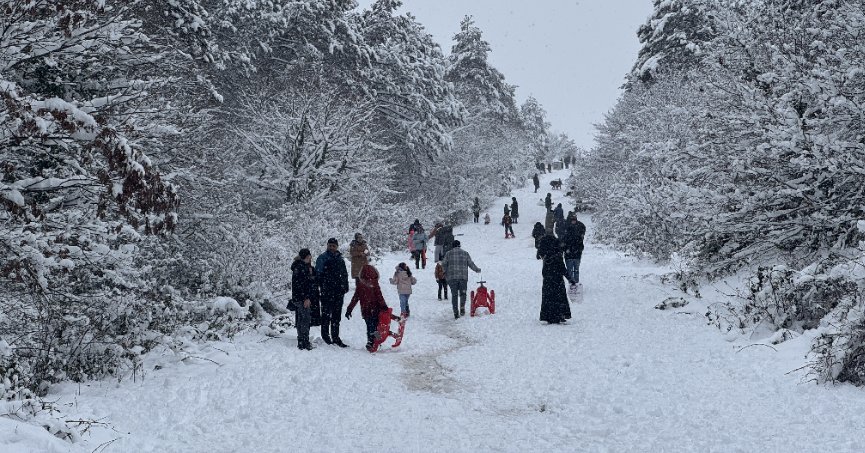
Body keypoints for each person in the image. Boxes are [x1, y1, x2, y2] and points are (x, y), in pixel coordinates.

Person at [346, 263, 389, 352]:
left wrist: (349, 309)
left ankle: (371, 341)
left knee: (370, 326)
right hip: (376, 309)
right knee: (375, 326)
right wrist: (384, 306)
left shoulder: (360, 285)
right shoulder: (375, 284)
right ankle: (376, 340)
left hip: (366, 310)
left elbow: (355, 298)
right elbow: (379, 296)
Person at [316, 238, 350, 347]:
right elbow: (318, 274)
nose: (331, 247)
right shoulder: (322, 258)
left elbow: (344, 274)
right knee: (326, 315)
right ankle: (325, 336)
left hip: (338, 291)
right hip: (327, 291)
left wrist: (345, 286)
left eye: (333, 246)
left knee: (336, 316)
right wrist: (322, 286)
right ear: (327, 245)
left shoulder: (340, 259)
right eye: (330, 245)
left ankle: (336, 337)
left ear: (337, 247)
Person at [536, 233, 573, 324]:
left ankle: (547, 316)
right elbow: (562, 268)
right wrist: (570, 279)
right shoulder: (557, 254)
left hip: (548, 278)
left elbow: (538, 256)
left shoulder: (546, 256)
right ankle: (560, 315)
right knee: (559, 297)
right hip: (557, 279)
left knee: (548, 297)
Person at [442, 240, 481, 319]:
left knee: (454, 295)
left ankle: (456, 312)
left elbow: (444, 264)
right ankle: (462, 306)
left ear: (452, 246)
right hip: (463, 277)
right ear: (459, 245)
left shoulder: (448, 253)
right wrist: (477, 270)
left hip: (452, 278)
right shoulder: (465, 253)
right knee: (463, 293)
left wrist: (445, 272)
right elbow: (470, 263)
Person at [291, 248, 318, 350]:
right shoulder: (302, 268)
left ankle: (301, 341)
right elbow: (303, 284)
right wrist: (306, 298)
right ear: (306, 256)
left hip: (297, 298)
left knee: (300, 319)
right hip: (302, 298)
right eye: (309, 256)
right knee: (305, 320)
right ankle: (304, 342)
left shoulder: (297, 266)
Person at [561, 213, 587, 291]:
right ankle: (573, 283)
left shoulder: (574, 234)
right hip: (571, 255)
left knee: (574, 270)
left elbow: (581, 245)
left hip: (574, 255)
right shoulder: (570, 235)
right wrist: (566, 250)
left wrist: (578, 250)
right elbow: (563, 244)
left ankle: (574, 283)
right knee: (572, 270)